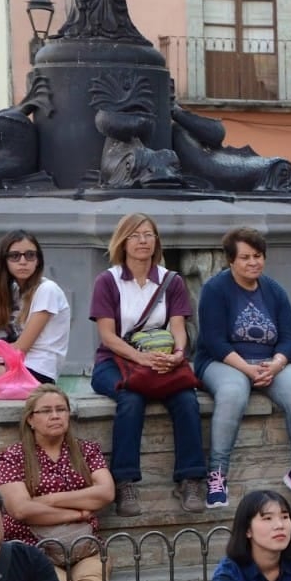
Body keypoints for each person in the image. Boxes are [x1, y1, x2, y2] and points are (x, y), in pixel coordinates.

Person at [89, 212, 207, 515]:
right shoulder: (108, 281)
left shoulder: (171, 281)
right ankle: (124, 483)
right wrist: (141, 357)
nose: (142, 241)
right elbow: (108, 336)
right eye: (135, 235)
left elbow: (178, 327)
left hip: (161, 361)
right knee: (131, 398)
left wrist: (178, 354)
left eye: (148, 234)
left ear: (156, 241)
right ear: (123, 241)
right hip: (115, 362)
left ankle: (191, 478)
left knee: (186, 399)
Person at [0, 386, 119, 581]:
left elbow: (106, 493)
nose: (55, 416)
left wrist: (49, 500)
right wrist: (78, 512)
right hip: (35, 546)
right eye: (46, 411)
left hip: (82, 544)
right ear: (30, 419)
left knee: (93, 573)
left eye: (61, 409)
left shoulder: (86, 451)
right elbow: (21, 509)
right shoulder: (14, 456)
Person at [196, 227, 291, 508]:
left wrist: (276, 365)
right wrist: (248, 371)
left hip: (269, 362)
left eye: (258, 256)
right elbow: (213, 341)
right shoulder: (215, 290)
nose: (253, 263)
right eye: (246, 257)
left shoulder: (275, 291)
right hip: (223, 361)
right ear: (231, 261)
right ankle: (217, 474)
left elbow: (288, 338)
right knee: (233, 393)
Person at [0, 230, 70, 384]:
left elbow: (21, 347)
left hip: (37, 370)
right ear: (4, 261)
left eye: (30, 255)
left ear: (38, 260)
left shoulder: (47, 290)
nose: (23, 261)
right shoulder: (14, 290)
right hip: (13, 362)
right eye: (14, 256)